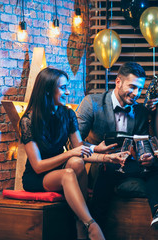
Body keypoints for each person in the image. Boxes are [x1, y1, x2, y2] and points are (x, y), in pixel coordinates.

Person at [76, 62, 158, 233]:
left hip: (128, 164)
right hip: (100, 164)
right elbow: (75, 144)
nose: (136, 93)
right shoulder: (92, 103)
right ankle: (94, 228)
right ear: (118, 82)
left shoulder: (140, 112)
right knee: (109, 167)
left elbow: (142, 144)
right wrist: (96, 150)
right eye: (132, 87)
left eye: (139, 89)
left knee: (157, 165)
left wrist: (147, 156)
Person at [19, 67, 126, 240]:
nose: (67, 92)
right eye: (63, 88)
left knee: (76, 162)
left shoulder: (68, 114)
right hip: (37, 177)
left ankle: (81, 221)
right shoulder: (28, 121)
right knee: (69, 171)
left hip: (60, 170)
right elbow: (37, 166)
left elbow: (80, 151)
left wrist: (106, 157)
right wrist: (69, 154)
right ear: (47, 90)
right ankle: (89, 224)